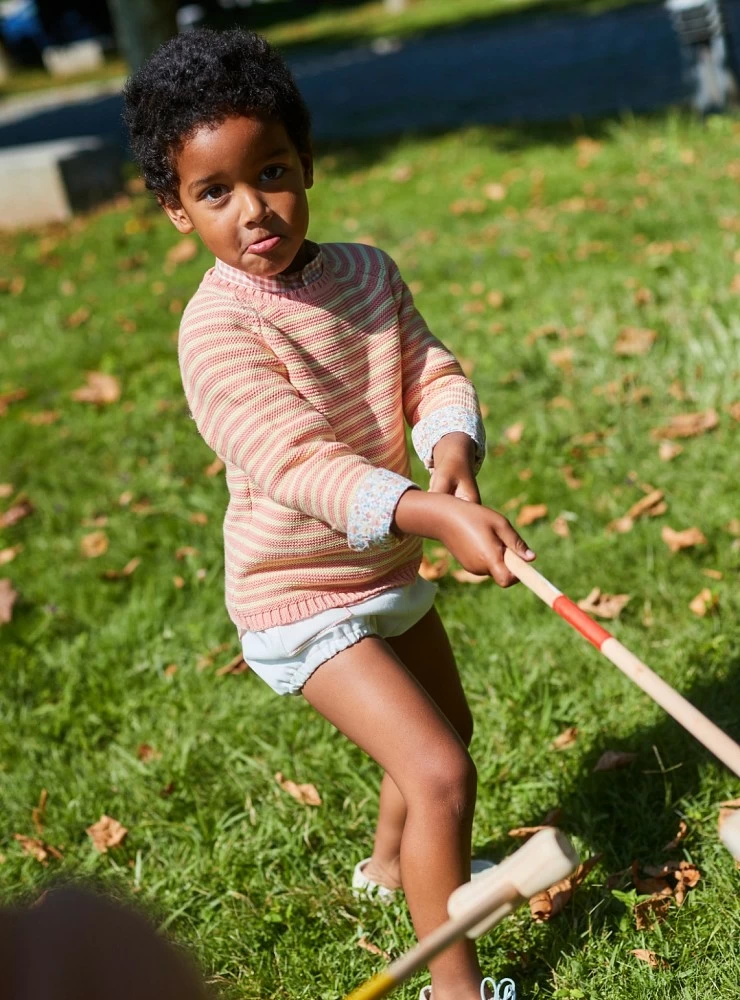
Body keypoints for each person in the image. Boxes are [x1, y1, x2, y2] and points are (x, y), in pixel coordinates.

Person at [123, 29, 535, 1000]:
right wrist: (429, 514)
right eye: (214, 191)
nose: (253, 209)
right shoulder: (217, 330)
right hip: (297, 592)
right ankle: (456, 991)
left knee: (446, 727)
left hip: (383, 563)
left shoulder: (364, 272)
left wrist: (449, 451)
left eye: (270, 172)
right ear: (175, 209)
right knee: (436, 773)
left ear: (306, 163)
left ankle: (396, 870)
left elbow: (429, 368)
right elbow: (296, 464)